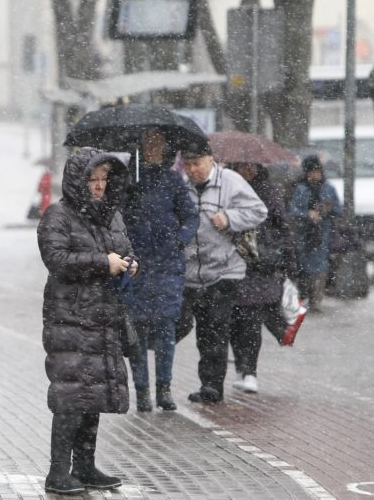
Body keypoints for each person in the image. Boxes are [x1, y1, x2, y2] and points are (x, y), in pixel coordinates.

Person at [37, 147, 138, 495]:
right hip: (71, 319)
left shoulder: (112, 215)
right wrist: (102, 262)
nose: (99, 187)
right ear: (78, 182)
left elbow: (123, 249)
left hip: (103, 317)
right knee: (70, 397)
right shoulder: (58, 216)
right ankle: (58, 472)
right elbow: (57, 259)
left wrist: (127, 263)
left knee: (92, 395)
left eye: (104, 180)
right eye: (93, 181)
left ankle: (84, 465)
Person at [176, 139, 267, 404]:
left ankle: (211, 386)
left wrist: (229, 218)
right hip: (191, 271)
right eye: (188, 165)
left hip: (225, 270)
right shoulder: (182, 186)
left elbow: (259, 211)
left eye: (197, 164)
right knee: (185, 325)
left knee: (213, 328)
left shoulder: (230, 181)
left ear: (210, 161)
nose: (192, 170)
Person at [121, 129, 199, 412]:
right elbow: (116, 217)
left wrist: (179, 239)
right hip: (136, 266)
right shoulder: (128, 180)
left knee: (166, 329)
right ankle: (142, 391)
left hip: (167, 266)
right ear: (139, 146)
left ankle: (164, 388)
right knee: (137, 330)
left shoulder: (172, 181)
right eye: (148, 143)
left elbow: (190, 216)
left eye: (159, 144)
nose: (154, 148)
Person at [227, 161, 297, 394]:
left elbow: (283, 227)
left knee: (250, 320)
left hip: (262, 266)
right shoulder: (228, 190)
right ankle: (241, 368)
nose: (247, 172)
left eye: (251, 167)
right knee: (236, 321)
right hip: (235, 263)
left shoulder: (268, 192)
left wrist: (286, 259)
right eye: (242, 167)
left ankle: (250, 372)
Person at [290, 155, 342, 313]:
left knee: (320, 267)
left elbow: (338, 209)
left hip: (323, 233)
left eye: (317, 171)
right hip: (304, 234)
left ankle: (316, 299)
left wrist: (326, 211)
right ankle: (305, 295)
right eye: (311, 171)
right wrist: (307, 214)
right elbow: (293, 210)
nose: (315, 175)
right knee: (304, 266)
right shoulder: (301, 189)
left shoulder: (328, 188)